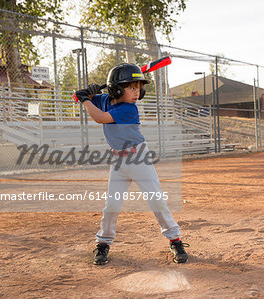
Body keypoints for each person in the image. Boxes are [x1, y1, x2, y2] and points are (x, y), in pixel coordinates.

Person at [73, 63, 189, 265]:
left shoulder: (128, 109)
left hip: (139, 159)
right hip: (118, 160)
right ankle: (103, 243)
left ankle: (175, 239)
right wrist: (86, 94)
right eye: (132, 87)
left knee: (156, 200)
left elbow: (99, 117)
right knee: (112, 204)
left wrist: (85, 99)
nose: (137, 92)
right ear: (117, 89)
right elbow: (83, 99)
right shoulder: (106, 100)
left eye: (139, 88)